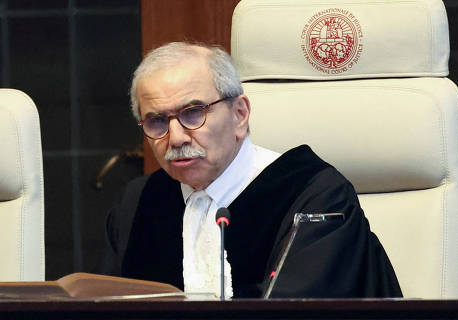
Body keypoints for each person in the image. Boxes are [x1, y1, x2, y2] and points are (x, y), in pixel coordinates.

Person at [99, 41, 402, 299]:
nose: (176, 137)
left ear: (240, 115)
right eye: (157, 122)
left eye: (193, 114)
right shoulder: (137, 203)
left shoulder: (316, 195)